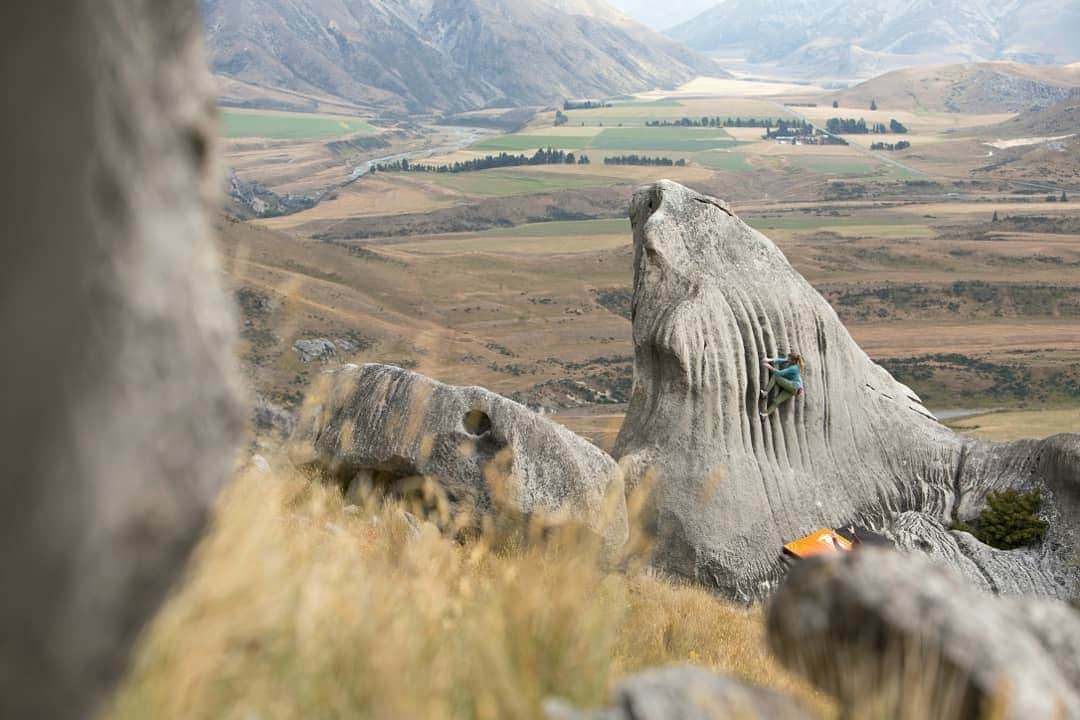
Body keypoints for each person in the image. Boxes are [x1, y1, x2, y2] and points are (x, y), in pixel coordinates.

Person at [759, 351, 804, 419]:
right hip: (796, 390)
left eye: (789, 358)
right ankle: (765, 415)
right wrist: (769, 360)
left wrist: (769, 366)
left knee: (775, 376)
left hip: (794, 386)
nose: (787, 359)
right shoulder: (793, 363)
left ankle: (765, 393)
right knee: (777, 401)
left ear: (793, 360)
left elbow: (780, 373)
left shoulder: (794, 368)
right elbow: (781, 360)